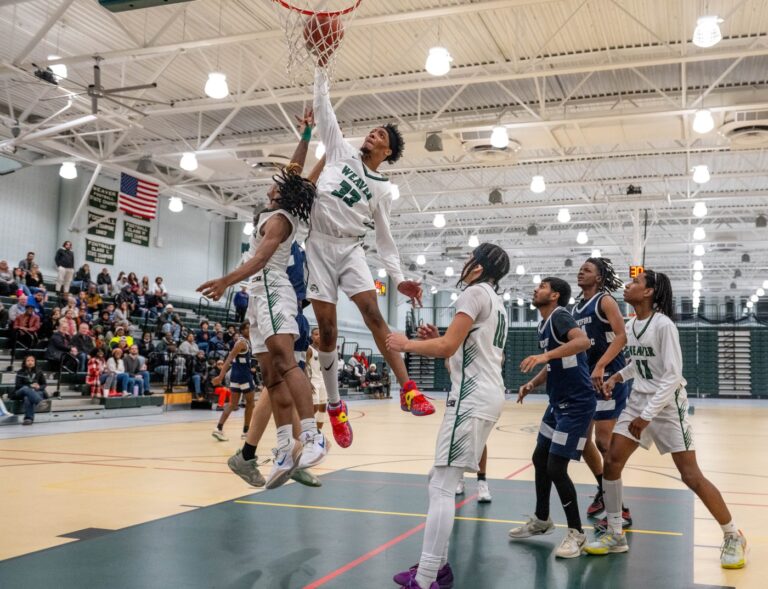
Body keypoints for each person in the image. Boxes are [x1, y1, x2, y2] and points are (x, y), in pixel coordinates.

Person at [306, 64, 432, 452]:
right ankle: (335, 406)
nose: (372, 134)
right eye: (372, 130)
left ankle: (408, 389)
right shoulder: (340, 150)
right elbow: (323, 108)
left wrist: (399, 278)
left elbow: (385, 239)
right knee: (327, 331)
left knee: (374, 315)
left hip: (351, 249)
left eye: (379, 135)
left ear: (386, 151)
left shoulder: (383, 189)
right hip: (318, 245)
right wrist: (322, 67)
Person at [584, 270, 747, 568]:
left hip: (667, 406)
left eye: (635, 283)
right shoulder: (632, 324)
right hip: (639, 401)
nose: (628, 285)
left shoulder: (664, 325)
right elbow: (640, 364)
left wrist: (647, 416)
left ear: (648, 292)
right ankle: (616, 534)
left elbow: (671, 375)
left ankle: (733, 534)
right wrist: (617, 377)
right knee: (612, 462)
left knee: (691, 476)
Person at [198, 131, 328, 489]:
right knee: (271, 376)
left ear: (284, 194)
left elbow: (259, 261)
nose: (274, 184)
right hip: (260, 296)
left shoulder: (280, 219)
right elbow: (298, 173)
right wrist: (307, 136)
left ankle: (312, 437)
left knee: (286, 365)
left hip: (272, 289)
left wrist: (225, 281)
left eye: (280, 184)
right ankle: (285, 447)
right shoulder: (282, 207)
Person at [386, 243, 510, 589]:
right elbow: (456, 354)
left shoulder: (473, 294)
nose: (464, 263)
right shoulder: (496, 301)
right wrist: (440, 340)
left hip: (471, 397)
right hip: (486, 394)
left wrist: (406, 344)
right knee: (437, 479)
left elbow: (447, 347)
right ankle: (437, 568)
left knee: (442, 486)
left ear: (479, 268)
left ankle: (427, 577)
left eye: (470, 258)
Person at [509, 277, 595, 559]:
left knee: (556, 467)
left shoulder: (560, 316)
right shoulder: (544, 323)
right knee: (539, 458)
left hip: (577, 405)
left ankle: (577, 533)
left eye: (543, 286)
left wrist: (544, 357)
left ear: (555, 295)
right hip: (557, 404)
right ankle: (542, 519)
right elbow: (554, 363)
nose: (536, 289)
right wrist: (532, 384)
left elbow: (582, 342)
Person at [571, 257, 632, 523]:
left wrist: (601, 365)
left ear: (598, 277)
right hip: (586, 379)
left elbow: (622, 336)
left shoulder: (604, 301)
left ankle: (619, 506)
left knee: (604, 442)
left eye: (587, 270)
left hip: (608, 377)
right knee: (582, 442)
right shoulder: (575, 308)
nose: (581, 272)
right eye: (580, 269)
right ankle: (603, 490)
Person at [210, 324, 255, 441]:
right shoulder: (241, 343)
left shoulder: (247, 342)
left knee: (233, 404)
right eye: (247, 328)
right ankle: (246, 432)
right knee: (250, 403)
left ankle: (218, 428)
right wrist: (220, 376)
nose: (250, 329)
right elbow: (229, 359)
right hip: (244, 376)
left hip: (235, 376)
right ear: (242, 330)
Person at [12, 355, 51, 425]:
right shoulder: (20, 372)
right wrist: (30, 386)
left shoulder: (39, 372)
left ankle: (28, 419)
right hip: (22, 392)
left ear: (35, 362)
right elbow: (18, 385)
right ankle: (39, 402)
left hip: (36, 392)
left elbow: (44, 384)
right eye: (28, 360)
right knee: (25, 388)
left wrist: (39, 387)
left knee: (27, 398)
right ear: (25, 362)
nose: (30, 362)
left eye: (32, 360)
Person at [305, 327, 328, 430]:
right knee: (315, 407)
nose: (319, 336)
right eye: (316, 334)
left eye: (320, 334)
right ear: (312, 337)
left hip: (323, 381)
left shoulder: (324, 350)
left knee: (323, 407)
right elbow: (304, 367)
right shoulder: (309, 349)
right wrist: (307, 382)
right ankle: (304, 429)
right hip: (313, 381)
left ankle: (318, 432)